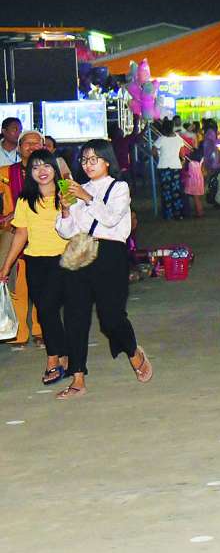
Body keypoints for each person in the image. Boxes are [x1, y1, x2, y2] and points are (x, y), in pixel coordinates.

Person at [53, 140, 152, 400]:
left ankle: (133, 351)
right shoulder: (78, 189)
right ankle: (77, 378)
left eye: (93, 159)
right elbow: (66, 231)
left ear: (107, 161)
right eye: (84, 160)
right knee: (74, 317)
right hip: (80, 253)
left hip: (110, 254)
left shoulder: (119, 187)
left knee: (111, 318)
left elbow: (110, 218)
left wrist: (86, 198)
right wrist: (65, 209)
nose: (88, 164)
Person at [0, 148, 70, 383]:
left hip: (63, 260)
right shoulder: (25, 200)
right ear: (29, 172)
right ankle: (62, 354)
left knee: (49, 309)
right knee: (46, 311)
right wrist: (6, 267)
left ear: (55, 169)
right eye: (36, 167)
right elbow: (21, 234)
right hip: (35, 262)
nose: (42, 171)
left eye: (46, 165)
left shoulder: (65, 194)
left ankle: (54, 358)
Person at [2, 130, 47, 346]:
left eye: (36, 143)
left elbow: (68, 197)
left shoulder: (52, 172)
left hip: (45, 237)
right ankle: (18, 333)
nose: (31, 146)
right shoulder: (5, 173)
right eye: (27, 143)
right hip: (15, 236)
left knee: (43, 289)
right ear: (19, 148)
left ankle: (41, 331)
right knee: (17, 287)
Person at [152, 122, 188, 220]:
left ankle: (168, 214)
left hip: (163, 167)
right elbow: (182, 154)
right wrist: (182, 162)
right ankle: (178, 214)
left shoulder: (161, 139)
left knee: (166, 192)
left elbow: (153, 151)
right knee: (176, 191)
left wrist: (158, 158)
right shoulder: (178, 139)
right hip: (176, 166)